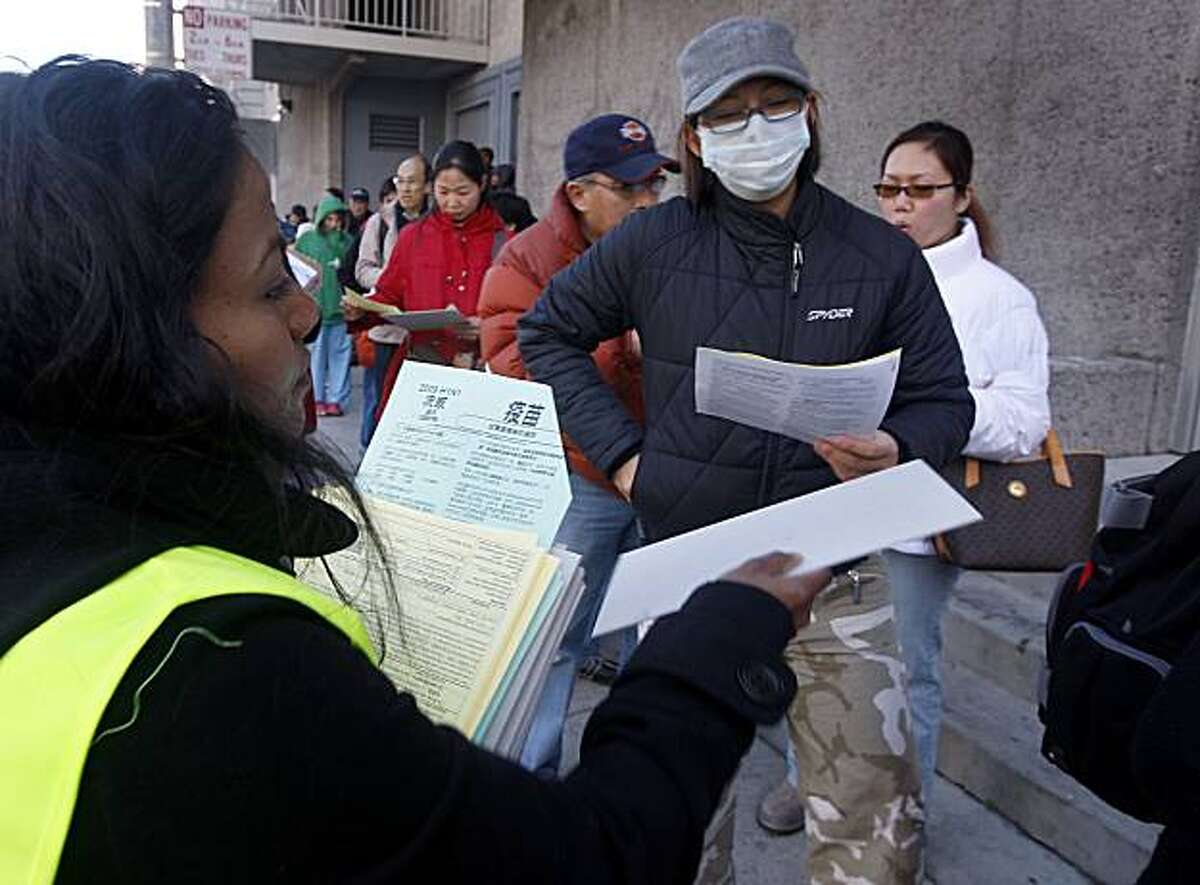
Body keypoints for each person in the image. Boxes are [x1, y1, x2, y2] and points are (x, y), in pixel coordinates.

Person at [0, 56, 833, 884]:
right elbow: (589, 857)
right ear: (123, 336)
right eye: (266, 286)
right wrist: (715, 633)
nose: (302, 312)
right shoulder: (221, 662)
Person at [518, 17, 975, 883]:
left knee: (876, 830)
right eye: (727, 116)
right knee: (678, 829)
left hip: (838, 565)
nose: (755, 129)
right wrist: (623, 457)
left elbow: (946, 398)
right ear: (693, 137)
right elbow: (548, 332)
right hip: (691, 564)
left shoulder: (879, 255)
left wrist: (897, 441)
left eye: (775, 104)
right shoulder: (653, 242)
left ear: (812, 111)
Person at [479, 113, 677, 777]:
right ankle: (534, 774)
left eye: (654, 183)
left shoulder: (672, 245)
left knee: (656, 629)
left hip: (668, 469)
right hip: (581, 474)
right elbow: (509, 353)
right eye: (630, 189)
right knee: (554, 635)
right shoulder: (528, 256)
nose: (648, 200)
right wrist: (623, 350)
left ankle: (633, 777)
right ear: (580, 191)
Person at [875, 121, 1051, 802]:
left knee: (905, 670)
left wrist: (933, 415)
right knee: (823, 657)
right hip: (833, 496)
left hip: (920, 515)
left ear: (963, 194)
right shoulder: (861, 271)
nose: (900, 205)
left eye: (920, 190)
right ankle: (811, 781)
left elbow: (1024, 421)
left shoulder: (998, 298)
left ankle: (903, 815)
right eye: (889, 189)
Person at [345, 140, 508, 420]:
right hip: (424, 368)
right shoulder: (414, 237)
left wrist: (491, 327)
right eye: (443, 192)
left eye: (462, 192)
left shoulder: (503, 241)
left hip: (480, 373)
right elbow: (388, 295)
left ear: (482, 185)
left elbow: (520, 312)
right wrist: (362, 309)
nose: (452, 202)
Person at [354, 154, 430, 449]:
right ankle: (369, 454)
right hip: (386, 328)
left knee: (414, 404)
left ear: (427, 186)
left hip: (424, 329)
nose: (406, 188)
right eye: (401, 181)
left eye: (413, 181)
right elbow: (362, 269)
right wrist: (395, 279)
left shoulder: (436, 223)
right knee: (377, 398)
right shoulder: (380, 221)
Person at [295, 192, 353, 417]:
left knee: (340, 357)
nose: (334, 224)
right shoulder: (307, 240)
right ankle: (317, 398)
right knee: (316, 359)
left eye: (337, 219)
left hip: (341, 311)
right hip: (316, 312)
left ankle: (336, 399)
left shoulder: (347, 242)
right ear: (321, 218)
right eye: (329, 219)